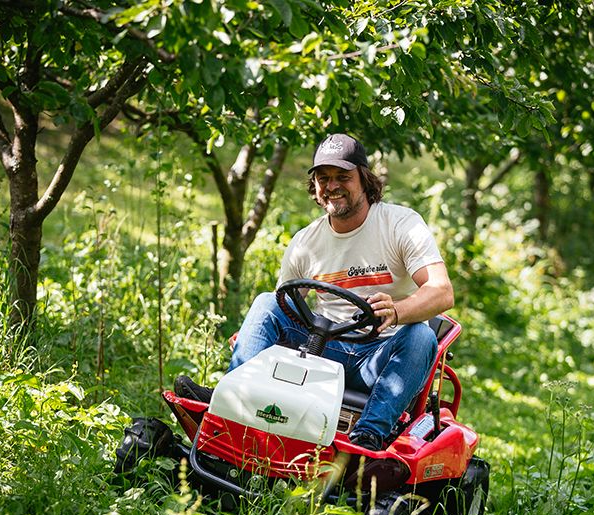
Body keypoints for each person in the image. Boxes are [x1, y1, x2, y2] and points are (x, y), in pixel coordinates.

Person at [177, 133, 453, 451]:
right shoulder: (306, 242)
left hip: (379, 358)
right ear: (315, 186)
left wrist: (397, 311)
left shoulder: (400, 224)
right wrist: (253, 328)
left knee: (420, 335)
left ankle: (367, 436)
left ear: (364, 179)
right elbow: (284, 305)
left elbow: (442, 291)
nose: (332, 185)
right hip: (321, 352)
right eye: (323, 178)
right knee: (266, 302)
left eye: (342, 177)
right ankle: (231, 400)